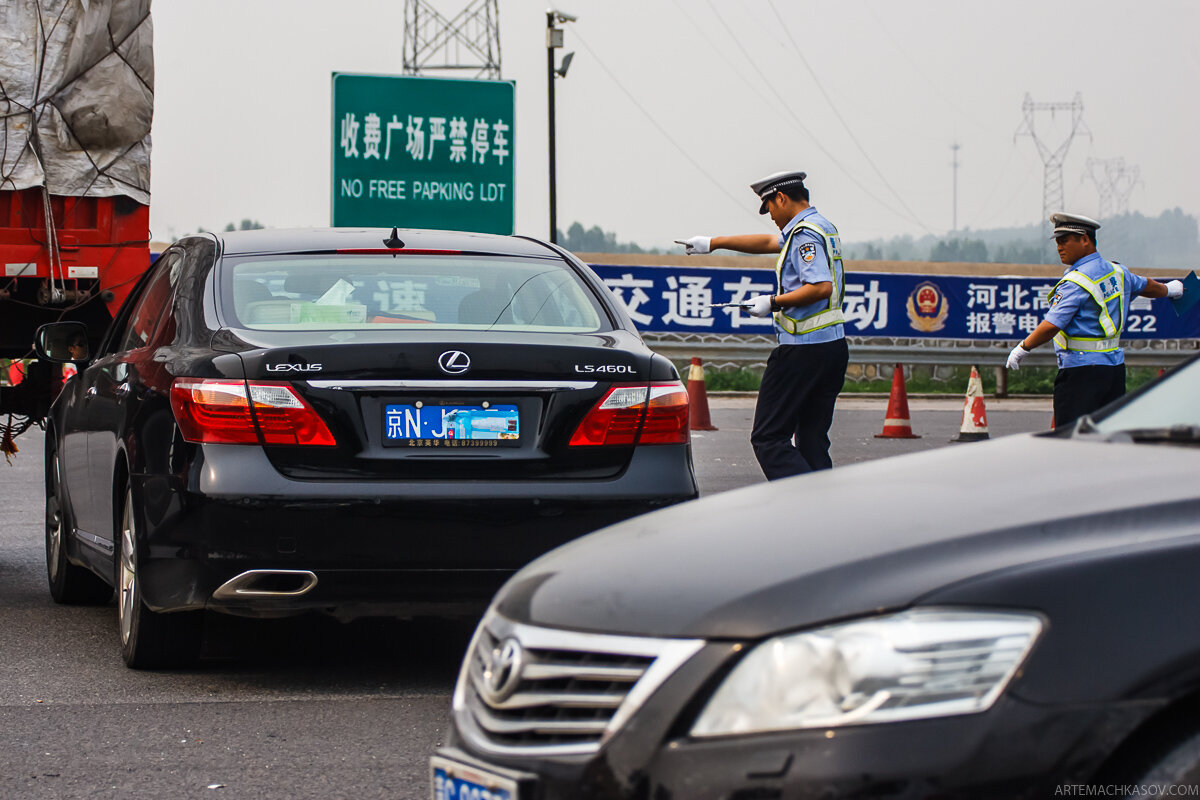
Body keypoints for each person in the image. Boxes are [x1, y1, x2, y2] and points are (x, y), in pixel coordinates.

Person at [677, 170, 848, 480]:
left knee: (768, 438)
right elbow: (770, 241)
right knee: (812, 441)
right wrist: (714, 243)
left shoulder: (805, 235)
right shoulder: (820, 226)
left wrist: (773, 301)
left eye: (769, 206)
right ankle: (825, 513)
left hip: (802, 351)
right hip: (832, 348)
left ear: (781, 198)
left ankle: (800, 501)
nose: (769, 215)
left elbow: (820, 286)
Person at [1006, 212, 1184, 428]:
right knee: (1108, 437)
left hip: (1080, 373)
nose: (1059, 248)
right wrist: (1171, 289)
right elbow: (1146, 285)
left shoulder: (1076, 282)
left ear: (1085, 239)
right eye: (1058, 242)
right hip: (1114, 370)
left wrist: (1023, 348)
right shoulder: (1118, 272)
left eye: (1064, 241)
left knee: (1071, 439)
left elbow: (1051, 325)